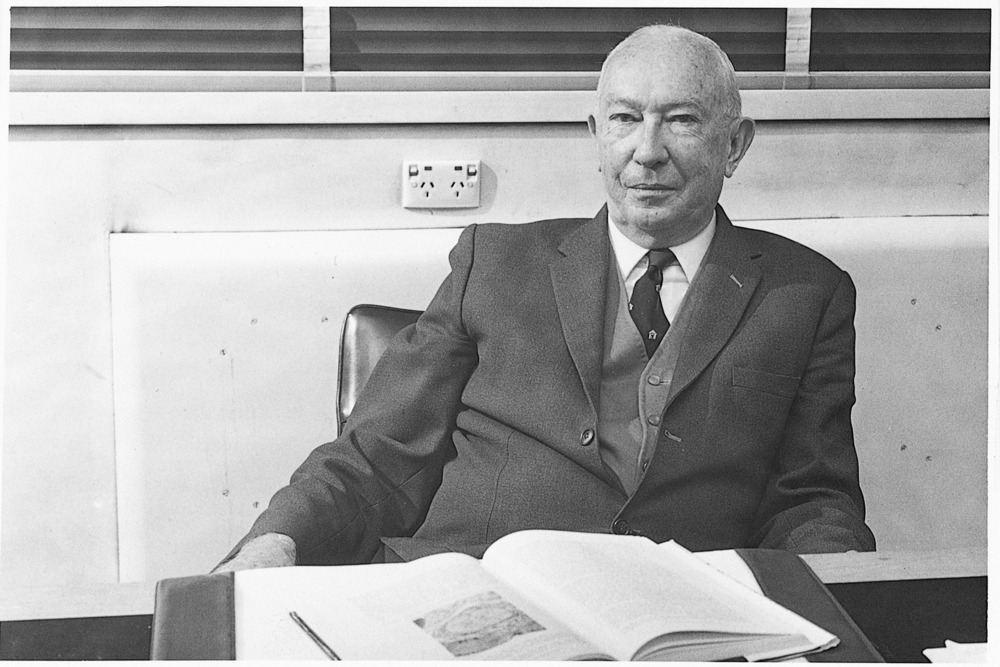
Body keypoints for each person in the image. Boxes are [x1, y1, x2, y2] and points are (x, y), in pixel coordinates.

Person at [215, 25, 875, 572]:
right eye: (625, 119)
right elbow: (376, 458)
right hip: (472, 591)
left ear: (734, 145)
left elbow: (812, 499)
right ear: (596, 134)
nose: (647, 152)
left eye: (681, 121)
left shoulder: (804, 294)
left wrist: (835, 592)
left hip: (679, 617)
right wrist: (277, 542)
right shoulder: (495, 263)